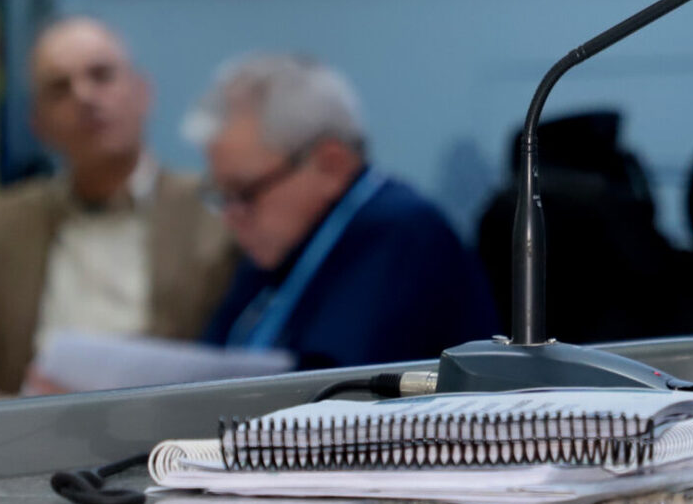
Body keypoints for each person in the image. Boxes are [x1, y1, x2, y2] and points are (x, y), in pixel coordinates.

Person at [0, 17, 237, 403]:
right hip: (30, 442)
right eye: (59, 88)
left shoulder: (222, 212)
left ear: (142, 93)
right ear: (38, 124)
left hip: (173, 442)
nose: (83, 96)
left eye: (101, 76)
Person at [199, 52, 496, 369]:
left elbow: (334, 387)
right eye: (222, 194)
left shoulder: (403, 235)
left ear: (331, 164)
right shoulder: (275, 250)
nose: (230, 214)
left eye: (245, 192)